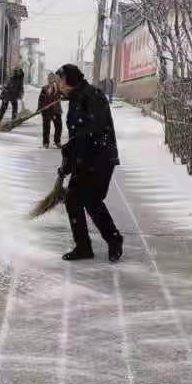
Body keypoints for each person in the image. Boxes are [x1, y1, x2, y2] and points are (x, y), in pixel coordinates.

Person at [56, 64, 123, 262]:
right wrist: (69, 158)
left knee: (89, 200)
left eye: (60, 80)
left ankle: (111, 241)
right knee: (77, 200)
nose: (58, 84)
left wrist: (69, 158)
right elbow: (79, 134)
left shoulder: (91, 96)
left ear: (69, 80)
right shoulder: (77, 98)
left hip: (99, 158)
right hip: (86, 158)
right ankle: (87, 245)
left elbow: (89, 133)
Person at [38, 72, 62, 148]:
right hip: (46, 111)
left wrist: (64, 96)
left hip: (56, 110)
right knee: (46, 127)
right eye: (49, 78)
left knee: (58, 126)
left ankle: (57, 141)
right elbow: (40, 100)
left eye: (51, 78)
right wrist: (40, 108)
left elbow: (65, 94)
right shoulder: (44, 88)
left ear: (54, 79)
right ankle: (45, 142)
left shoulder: (58, 88)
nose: (50, 80)